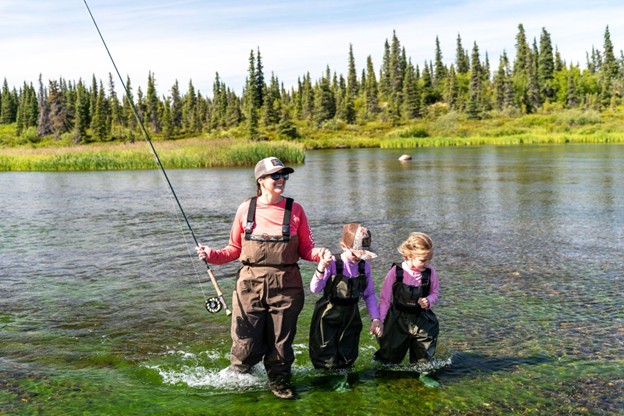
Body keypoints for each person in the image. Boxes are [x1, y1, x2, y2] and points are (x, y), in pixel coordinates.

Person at [197, 156, 330, 399]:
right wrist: (211, 255)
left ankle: (279, 381)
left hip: (287, 286)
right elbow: (233, 250)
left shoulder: (296, 209)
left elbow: (306, 250)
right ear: (260, 180)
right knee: (245, 342)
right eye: (276, 176)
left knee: (281, 343)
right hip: (249, 285)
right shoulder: (245, 208)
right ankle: (239, 376)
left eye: (284, 175)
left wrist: (318, 254)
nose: (282, 180)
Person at [308, 223, 383, 388]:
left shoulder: (364, 267)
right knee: (324, 349)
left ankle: (344, 375)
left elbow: (369, 294)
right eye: (355, 253)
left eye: (362, 254)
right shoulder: (334, 263)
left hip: (351, 315)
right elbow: (314, 289)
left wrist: (376, 318)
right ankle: (326, 379)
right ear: (344, 246)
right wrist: (321, 267)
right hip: (327, 314)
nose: (358, 258)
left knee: (348, 349)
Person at [373, 232, 441, 388]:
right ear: (408, 256)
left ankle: (424, 374)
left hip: (422, 318)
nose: (427, 263)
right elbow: (385, 299)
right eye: (423, 260)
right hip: (397, 318)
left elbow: (435, 293)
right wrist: (380, 321)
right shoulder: (396, 273)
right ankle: (384, 374)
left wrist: (428, 300)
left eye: (429, 259)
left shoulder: (430, 273)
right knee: (391, 354)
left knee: (425, 348)